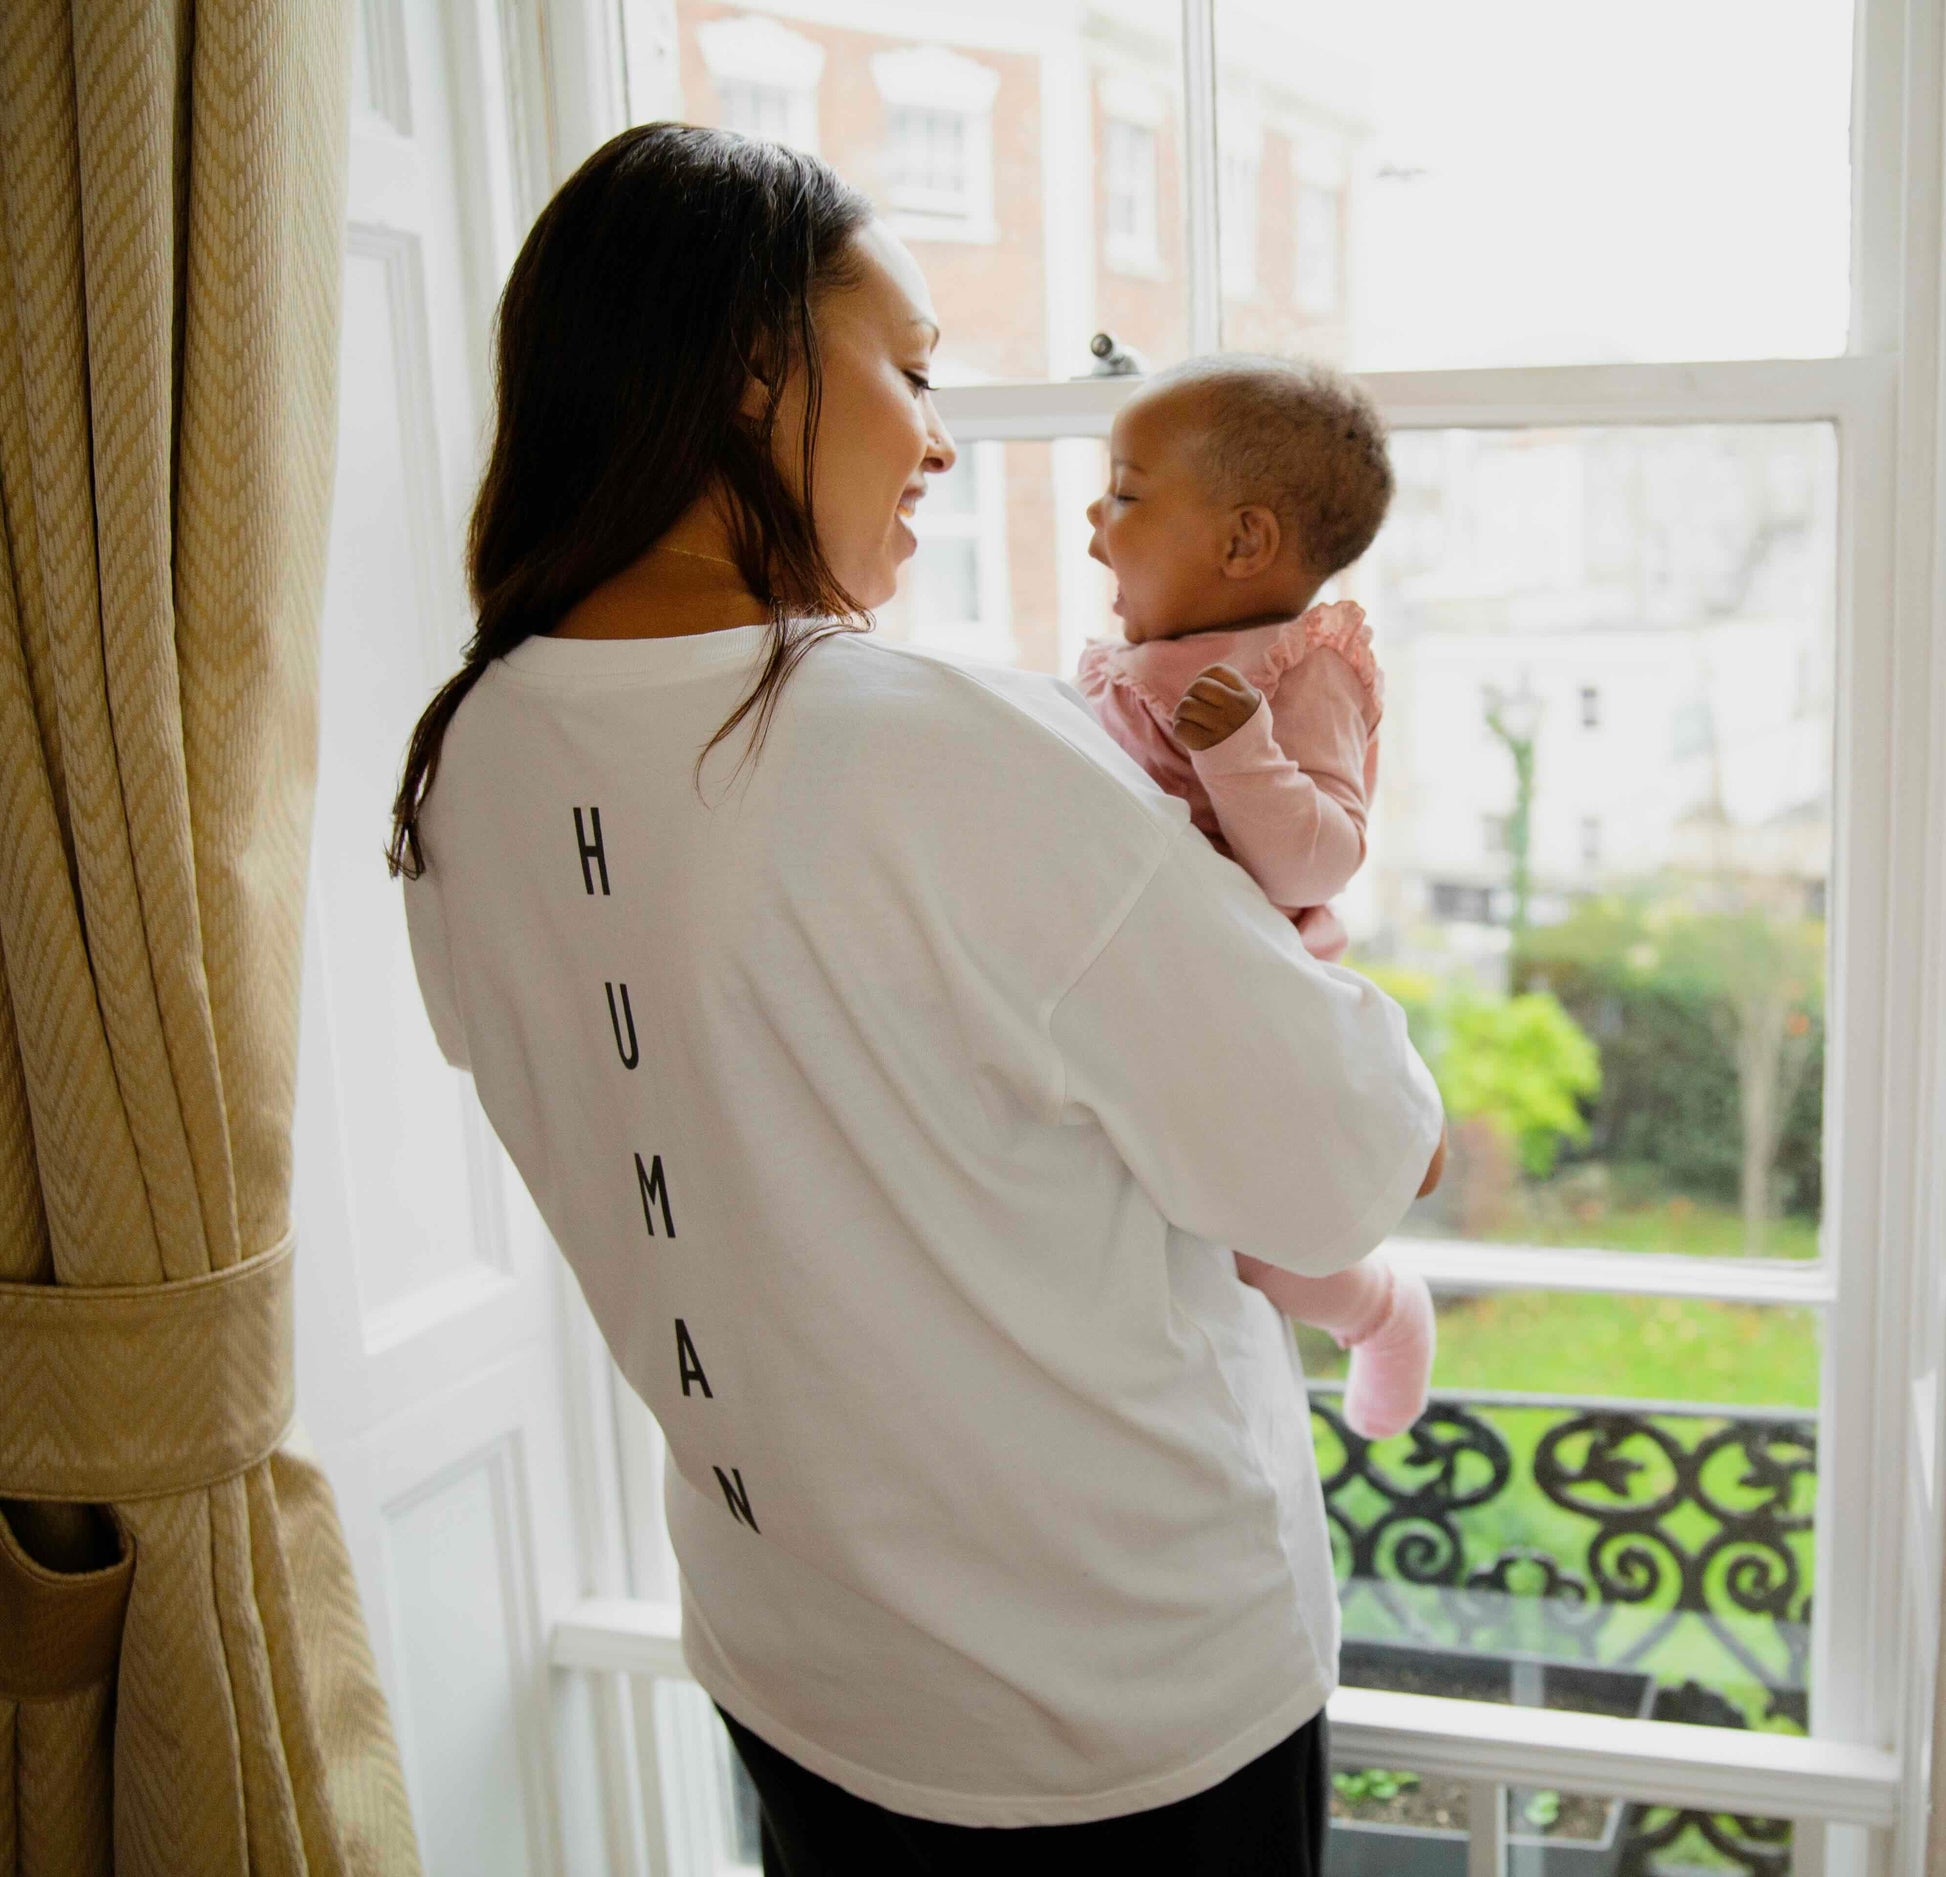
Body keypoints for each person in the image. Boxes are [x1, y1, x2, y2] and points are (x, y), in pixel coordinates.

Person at [389, 122, 1445, 1875]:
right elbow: (1353, 1160)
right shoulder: (941, 745)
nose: (941, 437)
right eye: (910, 367)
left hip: (795, 1670)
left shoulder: (467, 755)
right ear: (750, 375)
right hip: (1116, 1713)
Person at [1075, 356, 1436, 1442]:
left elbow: (1317, 862)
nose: (1096, 519)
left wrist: (1239, 752)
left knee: (1259, 1233)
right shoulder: (1132, 662)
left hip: (1256, 993)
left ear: (1241, 543)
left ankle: (1379, 1310)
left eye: (1128, 494)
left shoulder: (1292, 669)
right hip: (1152, 975)